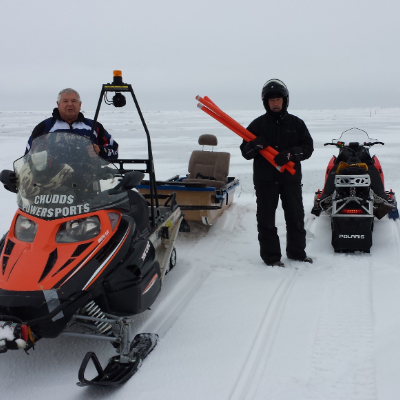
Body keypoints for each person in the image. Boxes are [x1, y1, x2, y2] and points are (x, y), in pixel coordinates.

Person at [240, 79, 314, 267]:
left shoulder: (297, 123)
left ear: (285, 100)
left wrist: (291, 154)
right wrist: (255, 145)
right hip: (265, 181)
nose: (275, 103)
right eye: (271, 100)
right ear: (266, 102)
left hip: (290, 180)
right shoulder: (257, 125)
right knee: (266, 221)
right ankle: (271, 258)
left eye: (278, 99)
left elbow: (308, 148)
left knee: (295, 217)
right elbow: (245, 153)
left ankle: (297, 253)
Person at [25, 88, 118, 160]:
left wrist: (100, 151)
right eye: (65, 101)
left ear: (80, 104)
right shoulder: (45, 127)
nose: (70, 104)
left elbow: (114, 151)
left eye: (74, 101)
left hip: (90, 179)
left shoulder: (94, 127)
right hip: (54, 180)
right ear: (58, 104)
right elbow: (28, 156)